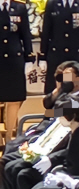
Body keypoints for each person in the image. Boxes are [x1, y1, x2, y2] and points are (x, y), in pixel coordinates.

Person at [39, 0, 79, 94]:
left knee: (77, 90)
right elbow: (46, 31)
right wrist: (42, 56)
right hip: (56, 55)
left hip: (77, 55)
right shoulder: (52, 3)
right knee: (55, 90)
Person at [0, 0, 34, 144]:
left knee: (13, 99)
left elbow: (25, 34)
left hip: (14, 59)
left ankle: (9, 137)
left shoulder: (19, 7)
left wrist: (29, 58)